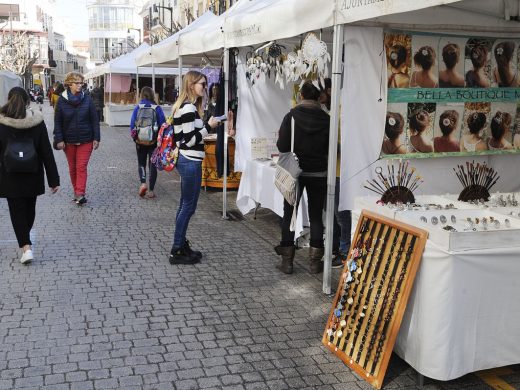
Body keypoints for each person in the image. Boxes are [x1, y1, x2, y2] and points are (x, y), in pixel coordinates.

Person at [275, 80, 331, 275]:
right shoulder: (327, 119)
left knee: (289, 214)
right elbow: (332, 149)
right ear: (318, 97)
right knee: (316, 216)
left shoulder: (291, 117)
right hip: (319, 173)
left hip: (294, 174)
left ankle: (287, 262)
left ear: (301, 96)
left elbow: (282, 145)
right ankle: (315, 263)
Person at [0, 87, 60, 264]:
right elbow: (46, 152)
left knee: (16, 210)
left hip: (9, 175)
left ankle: (25, 245)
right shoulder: (37, 121)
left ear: (9, 100)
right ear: (27, 101)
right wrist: (53, 180)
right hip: (32, 173)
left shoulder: (2, 123)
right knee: (29, 209)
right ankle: (26, 243)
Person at [169, 71, 220, 265]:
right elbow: (189, 141)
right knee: (188, 207)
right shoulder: (188, 108)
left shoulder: (185, 106)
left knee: (185, 205)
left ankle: (181, 244)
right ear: (191, 85)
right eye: (202, 84)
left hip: (187, 160)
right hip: (190, 161)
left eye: (205, 84)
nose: (205, 87)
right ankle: (177, 249)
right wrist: (209, 125)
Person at [54, 72, 100, 205]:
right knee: (73, 168)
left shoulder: (87, 98)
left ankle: (80, 193)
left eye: (81, 83)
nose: (80, 85)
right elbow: (57, 122)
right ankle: (76, 192)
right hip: (68, 141)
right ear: (69, 84)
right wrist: (59, 139)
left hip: (86, 139)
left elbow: (94, 119)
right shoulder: (61, 101)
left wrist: (96, 138)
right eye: (77, 83)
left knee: (81, 167)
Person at [319, 78, 351, 268]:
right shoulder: (330, 110)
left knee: (341, 212)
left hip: (341, 170)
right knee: (330, 211)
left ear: (330, 90)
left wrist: (331, 146)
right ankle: (335, 247)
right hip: (330, 169)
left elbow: (346, 142)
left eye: (321, 91)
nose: (319, 95)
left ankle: (345, 251)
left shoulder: (341, 111)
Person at [129, 86, 166, 199]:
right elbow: (163, 124)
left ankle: (143, 183)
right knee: (153, 164)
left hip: (140, 141)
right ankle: (151, 191)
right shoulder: (157, 108)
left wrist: (135, 138)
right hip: (153, 141)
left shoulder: (138, 107)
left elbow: (132, 125)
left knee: (141, 163)